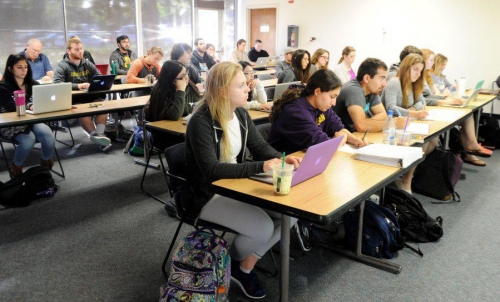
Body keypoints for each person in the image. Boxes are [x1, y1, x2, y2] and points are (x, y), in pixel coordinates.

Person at [181, 61, 301, 299]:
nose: (249, 88)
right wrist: (262, 166)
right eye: (241, 85)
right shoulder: (201, 121)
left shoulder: (241, 115)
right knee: (264, 228)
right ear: (224, 91)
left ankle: (244, 265)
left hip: (235, 186)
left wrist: (283, 159)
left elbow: (260, 147)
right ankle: (233, 263)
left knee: (293, 214)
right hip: (206, 194)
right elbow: (212, 170)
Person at [269, 69, 368, 155]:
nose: (334, 103)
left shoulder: (322, 106)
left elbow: (339, 128)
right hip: (284, 164)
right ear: (317, 91)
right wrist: (342, 139)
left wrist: (356, 141)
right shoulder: (296, 112)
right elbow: (323, 145)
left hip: (304, 158)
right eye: (332, 96)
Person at [422, 49, 491, 165]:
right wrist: (443, 97)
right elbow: (429, 97)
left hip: (439, 104)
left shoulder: (437, 77)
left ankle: (469, 150)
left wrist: (451, 91)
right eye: (431, 61)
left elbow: (443, 92)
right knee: (464, 116)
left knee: (467, 114)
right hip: (433, 108)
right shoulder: (427, 76)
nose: (433, 63)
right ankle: (467, 151)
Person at [381, 53, 438, 193]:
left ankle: (405, 176)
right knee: (420, 144)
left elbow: (421, 102)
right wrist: (412, 112)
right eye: (415, 69)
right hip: (391, 127)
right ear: (406, 68)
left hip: (406, 124)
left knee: (433, 141)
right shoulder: (395, 82)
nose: (418, 74)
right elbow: (391, 107)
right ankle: (405, 181)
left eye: (420, 70)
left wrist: (412, 109)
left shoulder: (414, 84)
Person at [0, 54, 55, 178]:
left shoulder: (32, 83)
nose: (24, 70)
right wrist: (30, 105)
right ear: (10, 69)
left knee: (48, 136)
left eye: (25, 66)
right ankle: (16, 168)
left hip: (31, 118)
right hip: (11, 122)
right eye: (19, 67)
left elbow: (43, 99)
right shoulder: (3, 86)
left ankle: (45, 167)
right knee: (28, 140)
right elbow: (11, 107)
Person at [53, 37, 112, 150]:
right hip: (74, 100)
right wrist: (77, 86)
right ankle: (95, 136)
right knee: (82, 110)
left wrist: (96, 83)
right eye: (76, 49)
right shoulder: (62, 66)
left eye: (81, 49)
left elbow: (99, 76)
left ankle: (100, 135)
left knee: (102, 105)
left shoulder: (87, 63)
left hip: (89, 96)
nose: (80, 51)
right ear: (68, 51)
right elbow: (57, 84)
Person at [334, 58, 407, 133]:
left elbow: (383, 115)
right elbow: (361, 126)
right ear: (367, 78)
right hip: (339, 139)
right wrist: (393, 123)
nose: (385, 84)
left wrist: (367, 123)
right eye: (381, 78)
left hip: (355, 136)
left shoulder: (372, 90)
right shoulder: (353, 89)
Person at [145, 60, 201, 150]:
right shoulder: (161, 92)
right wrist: (181, 91)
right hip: (166, 137)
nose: (186, 78)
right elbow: (175, 115)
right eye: (182, 76)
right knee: (197, 144)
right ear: (172, 80)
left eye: (186, 73)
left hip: (186, 132)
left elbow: (199, 108)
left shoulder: (190, 88)